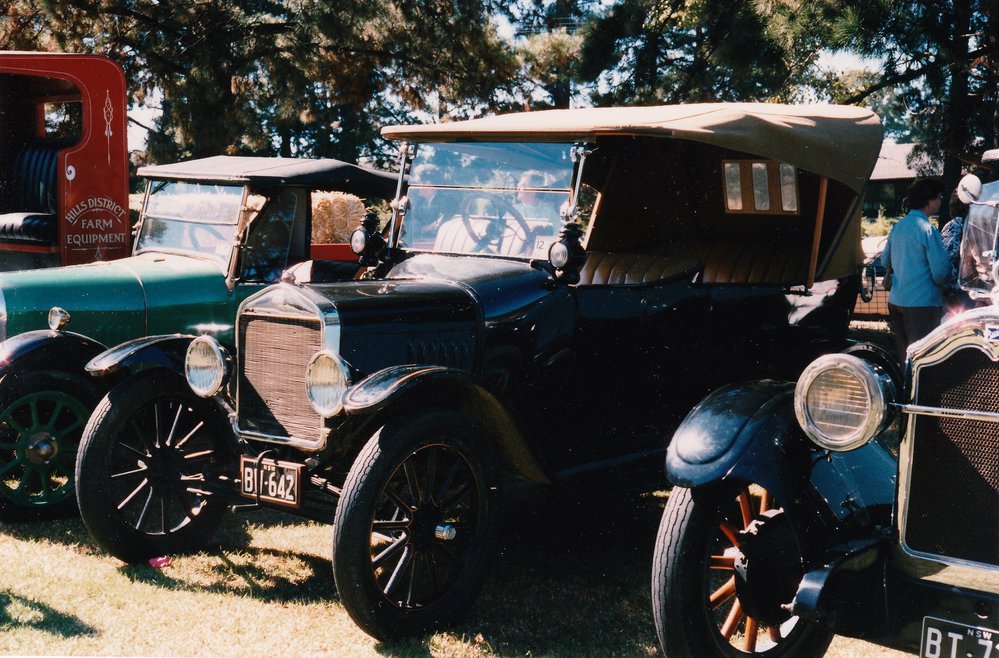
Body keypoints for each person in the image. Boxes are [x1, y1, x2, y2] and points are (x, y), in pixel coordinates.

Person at [881, 178, 951, 361]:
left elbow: (884, 261)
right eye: (939, 197)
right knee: (924, 359)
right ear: (929, 200)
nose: (941, 201)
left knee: (905, 358)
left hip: (896, 301)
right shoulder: (928, 230)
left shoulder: (898, 227)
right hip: (922, 304)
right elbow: (941, 273)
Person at [939, 189, 973, 311]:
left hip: (958, 290)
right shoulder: (976, 225)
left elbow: (947, 258)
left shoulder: (953, 225)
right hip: (969, 289)